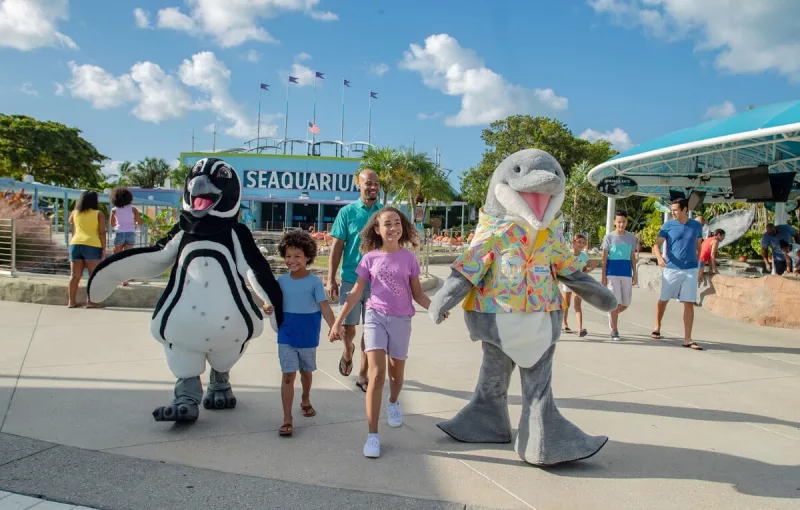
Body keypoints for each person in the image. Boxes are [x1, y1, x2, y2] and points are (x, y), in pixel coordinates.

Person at [330, 207, 446, 458]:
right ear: (377, 229)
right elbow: (356, 292)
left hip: (401, 320)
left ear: (402, 227)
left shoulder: (409, 258)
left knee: (396, 376)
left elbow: (418, 295)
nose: (393, 228)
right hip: (375, 317)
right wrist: (338, 321)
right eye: (387, 224)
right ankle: (372, 435)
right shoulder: (369, 258)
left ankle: (393, 402)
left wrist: (437, 308)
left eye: (397, 223)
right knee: (376, 374)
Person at [263, 230, 336, 437]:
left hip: (308, 335)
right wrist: (268, 308)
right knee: (288, 375)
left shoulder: (314, 282)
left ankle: (305, 398)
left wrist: (334, 326)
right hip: (286, 334)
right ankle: (287, 418)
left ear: (307, 257)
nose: (291, 260)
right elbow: (274, 304)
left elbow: (325, 307)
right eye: (288, 256)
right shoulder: (282, 282)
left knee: (306, 372)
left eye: (297, 256)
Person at [327, 169, 382, 392]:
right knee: (349, 329)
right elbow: (337, 247)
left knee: (370, 330)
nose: (373, 187)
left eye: (376, 184)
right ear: (358, 186)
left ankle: (362, 374)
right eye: (368, 183)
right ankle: (348, 350)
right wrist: (331, 279)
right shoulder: (347, 213)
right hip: (351, 279)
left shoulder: (384, 214)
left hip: (377, 283)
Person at [651, 198, 704, 350]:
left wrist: (700, 266)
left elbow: (699, 246)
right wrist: (660, 257)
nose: (672, 212)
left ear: (685, 209)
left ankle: (688, 338)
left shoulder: (696, 225)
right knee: (664, 299)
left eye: (675, 210)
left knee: (689, 302)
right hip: (672, 268)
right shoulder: (668, 225)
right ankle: (657, 325)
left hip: (691, 269)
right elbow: (657, 244)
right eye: (672, 210)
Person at [601, 211, 638, 341]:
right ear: (614, 222)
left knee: (626, 303)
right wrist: (603, 276)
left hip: (626, 273)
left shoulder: (631, 237)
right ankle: (614, 330)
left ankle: (612, 313)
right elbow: (604, 258)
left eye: (624, 221)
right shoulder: (609, 237)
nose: (622, 224)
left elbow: (632, 257)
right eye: (619, 222)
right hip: (612, 274)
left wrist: (635, 274)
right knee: (616, 302)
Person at [68, 191, 106, 308]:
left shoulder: (75, 213)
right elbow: (102, 232)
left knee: (74, 276)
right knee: (93, 275)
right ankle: (91, 302)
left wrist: (77, 207)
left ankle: (71, 302)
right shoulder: (99, 214)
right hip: (92, 244)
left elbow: (70, 221)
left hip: (75, 244)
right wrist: (103, 248)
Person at [561, 233, 594, 337]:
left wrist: (590, 269)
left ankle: (580, 329)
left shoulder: (584, 256)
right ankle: (564, 324)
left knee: (577, 305)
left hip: (579, 282)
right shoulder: (567, 254)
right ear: (573, 242)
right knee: (566, 304)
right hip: (567, 281)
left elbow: (584, 270)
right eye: (579, 242)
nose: (581, 244)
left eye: (583, 243)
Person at [109, 188, 143, 286]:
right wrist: (135, 223)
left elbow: (112, 223)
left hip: (119, 233)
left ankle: (115, 277)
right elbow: (140, 222)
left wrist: (117, 226)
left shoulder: (114, 210)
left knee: (117, 257)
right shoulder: (133, 209)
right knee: (126, 257)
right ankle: (125, 279)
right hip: (131, 233)